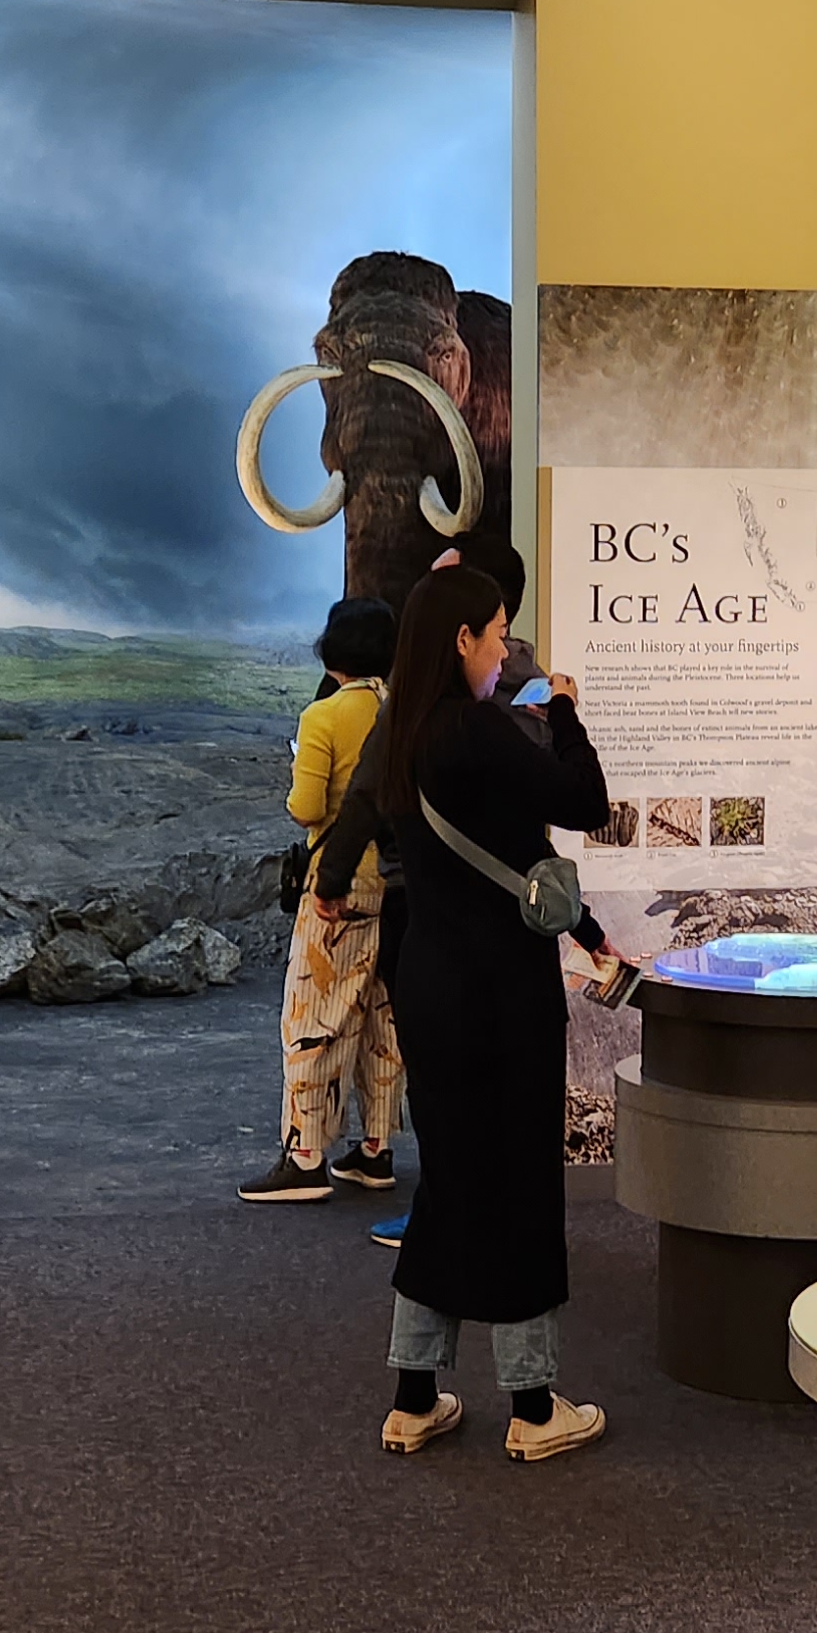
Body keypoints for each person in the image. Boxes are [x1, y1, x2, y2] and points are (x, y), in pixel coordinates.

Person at [352, 559, 612, 1463]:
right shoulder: (478, 731)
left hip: (430, 986)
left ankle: (413, 1398)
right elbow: (585, 803)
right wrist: (566, 710)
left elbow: (503, 855)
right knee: (521, 1186)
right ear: (462, 639)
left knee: (452, 1180)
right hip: (503, 995)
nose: (505, 653)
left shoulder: (402, 737)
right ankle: (534, 1409)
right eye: (498, 635)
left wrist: (589, 928)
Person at [242, 597, 405, 1203]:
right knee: (382, 1019)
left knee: (312, 1018)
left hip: (339, 885)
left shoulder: (325, 716)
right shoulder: (401, 709)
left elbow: (307, 807)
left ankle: (305, 1155)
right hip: (397, 884)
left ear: (332, 651)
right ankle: (376, 1149)